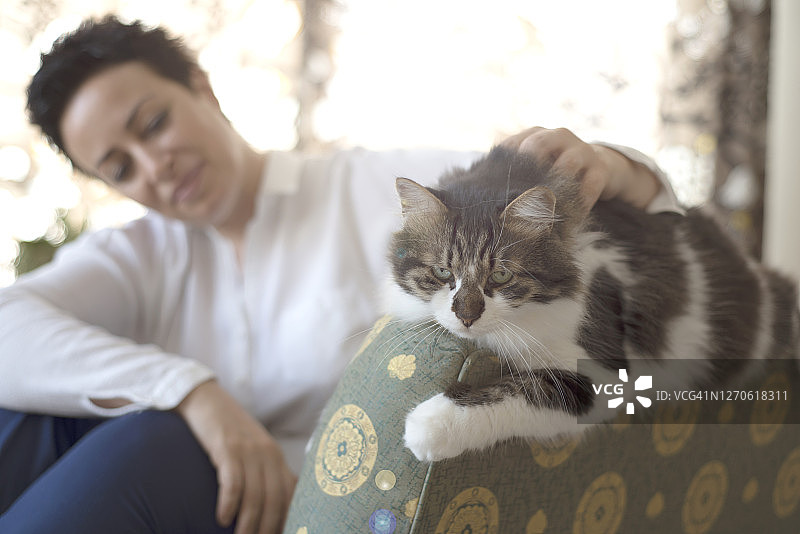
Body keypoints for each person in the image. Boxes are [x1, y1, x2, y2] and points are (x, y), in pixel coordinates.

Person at [0, 15, 680, 534]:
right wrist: (190, 390)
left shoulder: (374, 191)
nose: (154, 167)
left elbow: (573, 211)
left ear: (202, 89)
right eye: (119, 167)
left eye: (153, 123)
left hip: (300, 496)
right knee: (25, 419)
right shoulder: (141, 253)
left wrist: (618, 168)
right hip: (179, 474)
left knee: (144, 443)